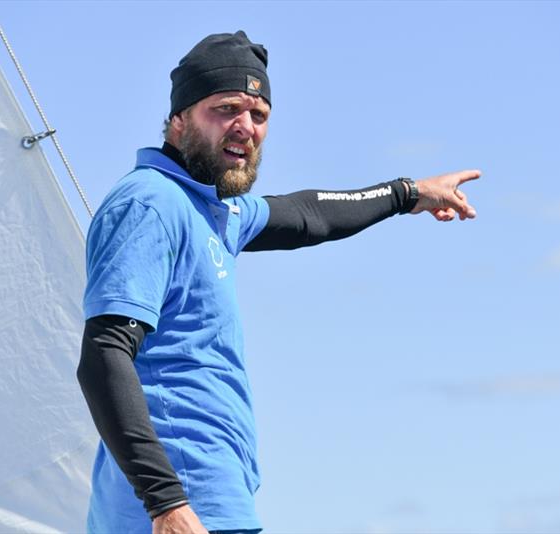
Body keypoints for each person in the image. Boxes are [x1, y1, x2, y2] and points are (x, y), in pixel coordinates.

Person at [77, 31, 480, 534]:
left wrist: (408, 192)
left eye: (259, 114)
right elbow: (104, 355)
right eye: (226, 108)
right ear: (179, 118)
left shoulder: (214, 212)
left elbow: (308, 214)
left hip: (210, 501)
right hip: (176, 509)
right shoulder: (150, 204)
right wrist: (166, 503)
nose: (245, 127)